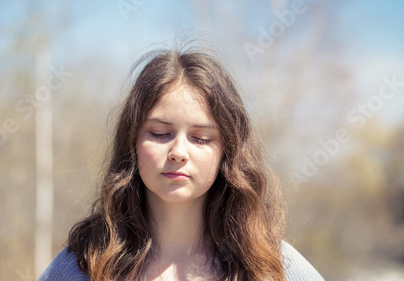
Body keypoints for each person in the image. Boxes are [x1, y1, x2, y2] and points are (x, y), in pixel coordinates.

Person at [39, 47, 325, 281]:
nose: (178, 151)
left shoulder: (271, 268)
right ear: (131, 141)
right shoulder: (82, 265)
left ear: (228, 151)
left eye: (201, 138)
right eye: (160, 133)